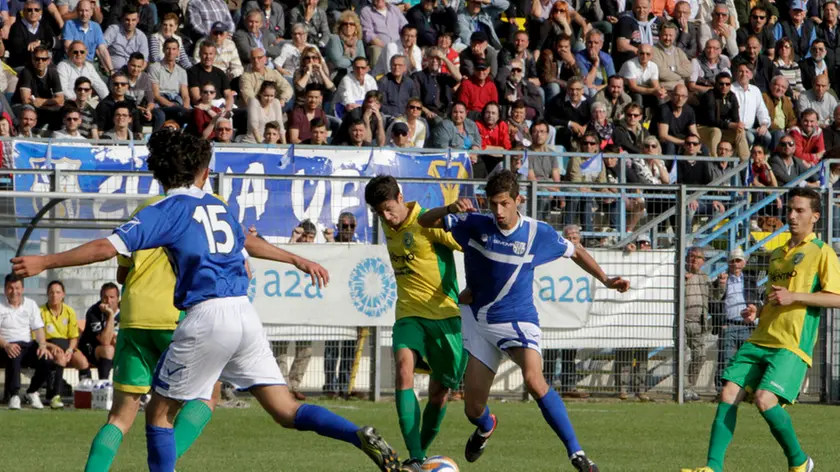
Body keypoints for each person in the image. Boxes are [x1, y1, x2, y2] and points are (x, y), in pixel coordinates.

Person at [10, 130, 403, 472]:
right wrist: (295, 257)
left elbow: (104, 247)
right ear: (201, 173)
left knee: (158, 414)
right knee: (285, 409)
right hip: (244, 315)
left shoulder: (165, 209)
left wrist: (46, 260)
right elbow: (246, 241)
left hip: (205, 317)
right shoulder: (216, 205)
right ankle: (357, 434)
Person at [416, 170, 629, 472]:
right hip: (479, 322)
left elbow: (575, 251)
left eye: (504, 203)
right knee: (473, 408)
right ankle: (487, 426)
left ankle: (578, 455)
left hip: (518, 320)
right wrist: (450, 208)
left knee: (534, 380)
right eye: (493, 204)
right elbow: (424, 221)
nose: (498, 212)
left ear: (518, 200)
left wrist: (606, 279)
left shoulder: (536, 233)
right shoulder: (476, 224)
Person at [687, 187, 840, 472]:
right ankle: (713, 468)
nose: (792, 216)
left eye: (799, 211)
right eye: (790, 210)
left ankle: (800, 462)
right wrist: (759, 311)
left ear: (815, 216)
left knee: (764, 399)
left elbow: (836, 298)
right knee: (729, 393)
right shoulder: (778, 254)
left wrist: (796, 297)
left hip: (791, 343)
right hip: (761, 336)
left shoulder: (822, 252)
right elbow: (776, 296)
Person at [364, 175, 465, 470]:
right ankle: (417, 457)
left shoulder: (428, 222)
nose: (385, 217)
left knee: (439, 395)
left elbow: (469, 246)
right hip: (408, 314)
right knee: (403, 370)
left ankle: (480, 425)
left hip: (446, 316)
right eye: (378, 212)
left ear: (400, 196)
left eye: (388, 208)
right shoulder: (388, 221)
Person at [0, 274, 54, 410]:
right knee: (14, 352)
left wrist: (42, 345)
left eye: (17, 288)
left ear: (22, 289)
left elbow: (38, 328)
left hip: (27, 344)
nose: (14, 292)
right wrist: (6, 345)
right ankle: (14, 395)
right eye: (10, 288)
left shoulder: (30, 304)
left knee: (47, 358)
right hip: (5, 345)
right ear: (5, 289)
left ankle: (32, 391)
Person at [713, 248, 761, 393]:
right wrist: (720, 322)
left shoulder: (751, 281)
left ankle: (745, 390)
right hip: (729, 325)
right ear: (728, 263)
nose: (735, 264)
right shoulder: (721, 280)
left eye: (738, 260)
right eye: (732, 261)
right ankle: (721, 391)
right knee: (725, 360)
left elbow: (757, 300)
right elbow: (714, 301)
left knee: (746, 360)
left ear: (744, 263)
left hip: (747, 326)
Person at [36, 280, 88, 409]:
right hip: (49, 344)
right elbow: (37, 336)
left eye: (58, 292)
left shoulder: (69, 311)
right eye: (51, 292)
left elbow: (74, 336)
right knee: (60, 357)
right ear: (47, 294)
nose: (54, 295)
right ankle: (55, 396)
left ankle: (86, 396)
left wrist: (70, 350)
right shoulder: (40, 311)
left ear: (63, 294)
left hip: (67, 345)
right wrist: (51, 346)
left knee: (82, 361)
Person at [684, 246, 722, 402]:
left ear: (703, 261)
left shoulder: (704, 276)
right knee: (681, 356)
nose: (693, 260)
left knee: (700, 355)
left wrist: (721, 285)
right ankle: (683, 389)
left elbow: (715, 297)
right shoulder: (678, 274)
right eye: (691, 256)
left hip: (699, 323)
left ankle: (690, 387)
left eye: (697, 257)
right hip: (680, 322)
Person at [78, 282, 120, 381]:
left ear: (118, 298)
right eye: (105, 297)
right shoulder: (94, 311)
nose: (108, 301)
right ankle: (103, 385)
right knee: (108, 349)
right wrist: (110, 315)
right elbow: (104, 341)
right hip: (92, 350)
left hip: (116, 348)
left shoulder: (125, 310)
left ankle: (139, 391)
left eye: (112, 297)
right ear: (101, 298)